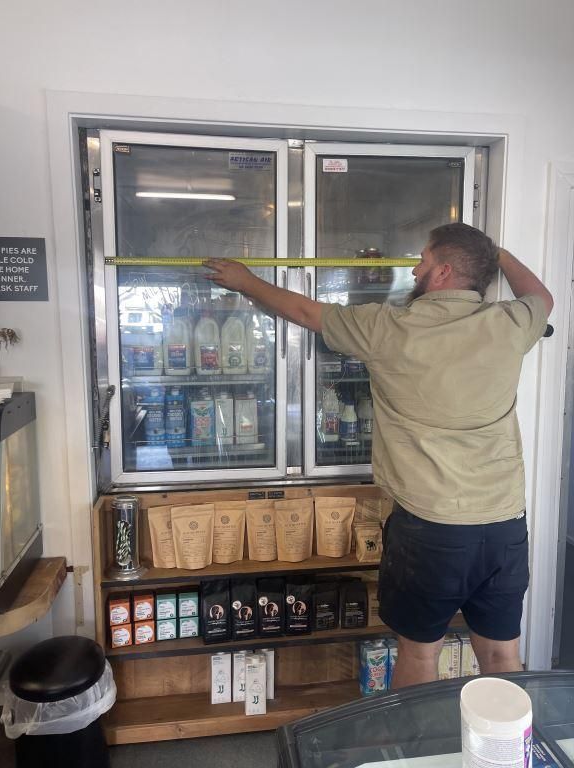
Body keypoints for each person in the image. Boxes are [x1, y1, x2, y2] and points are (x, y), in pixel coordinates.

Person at [204, 223, 553, 688]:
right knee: (502, 654)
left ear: (444, 271)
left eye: (424, 261)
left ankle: (417, 759)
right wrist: (498, 253)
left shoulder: (388, 327)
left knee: (419, 655)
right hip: (505, 525)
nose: (415, 268)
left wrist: (244, 280)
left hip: (430, 530)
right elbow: (542, 296)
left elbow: (306, 312)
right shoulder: (509, 324)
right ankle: (508, 757)